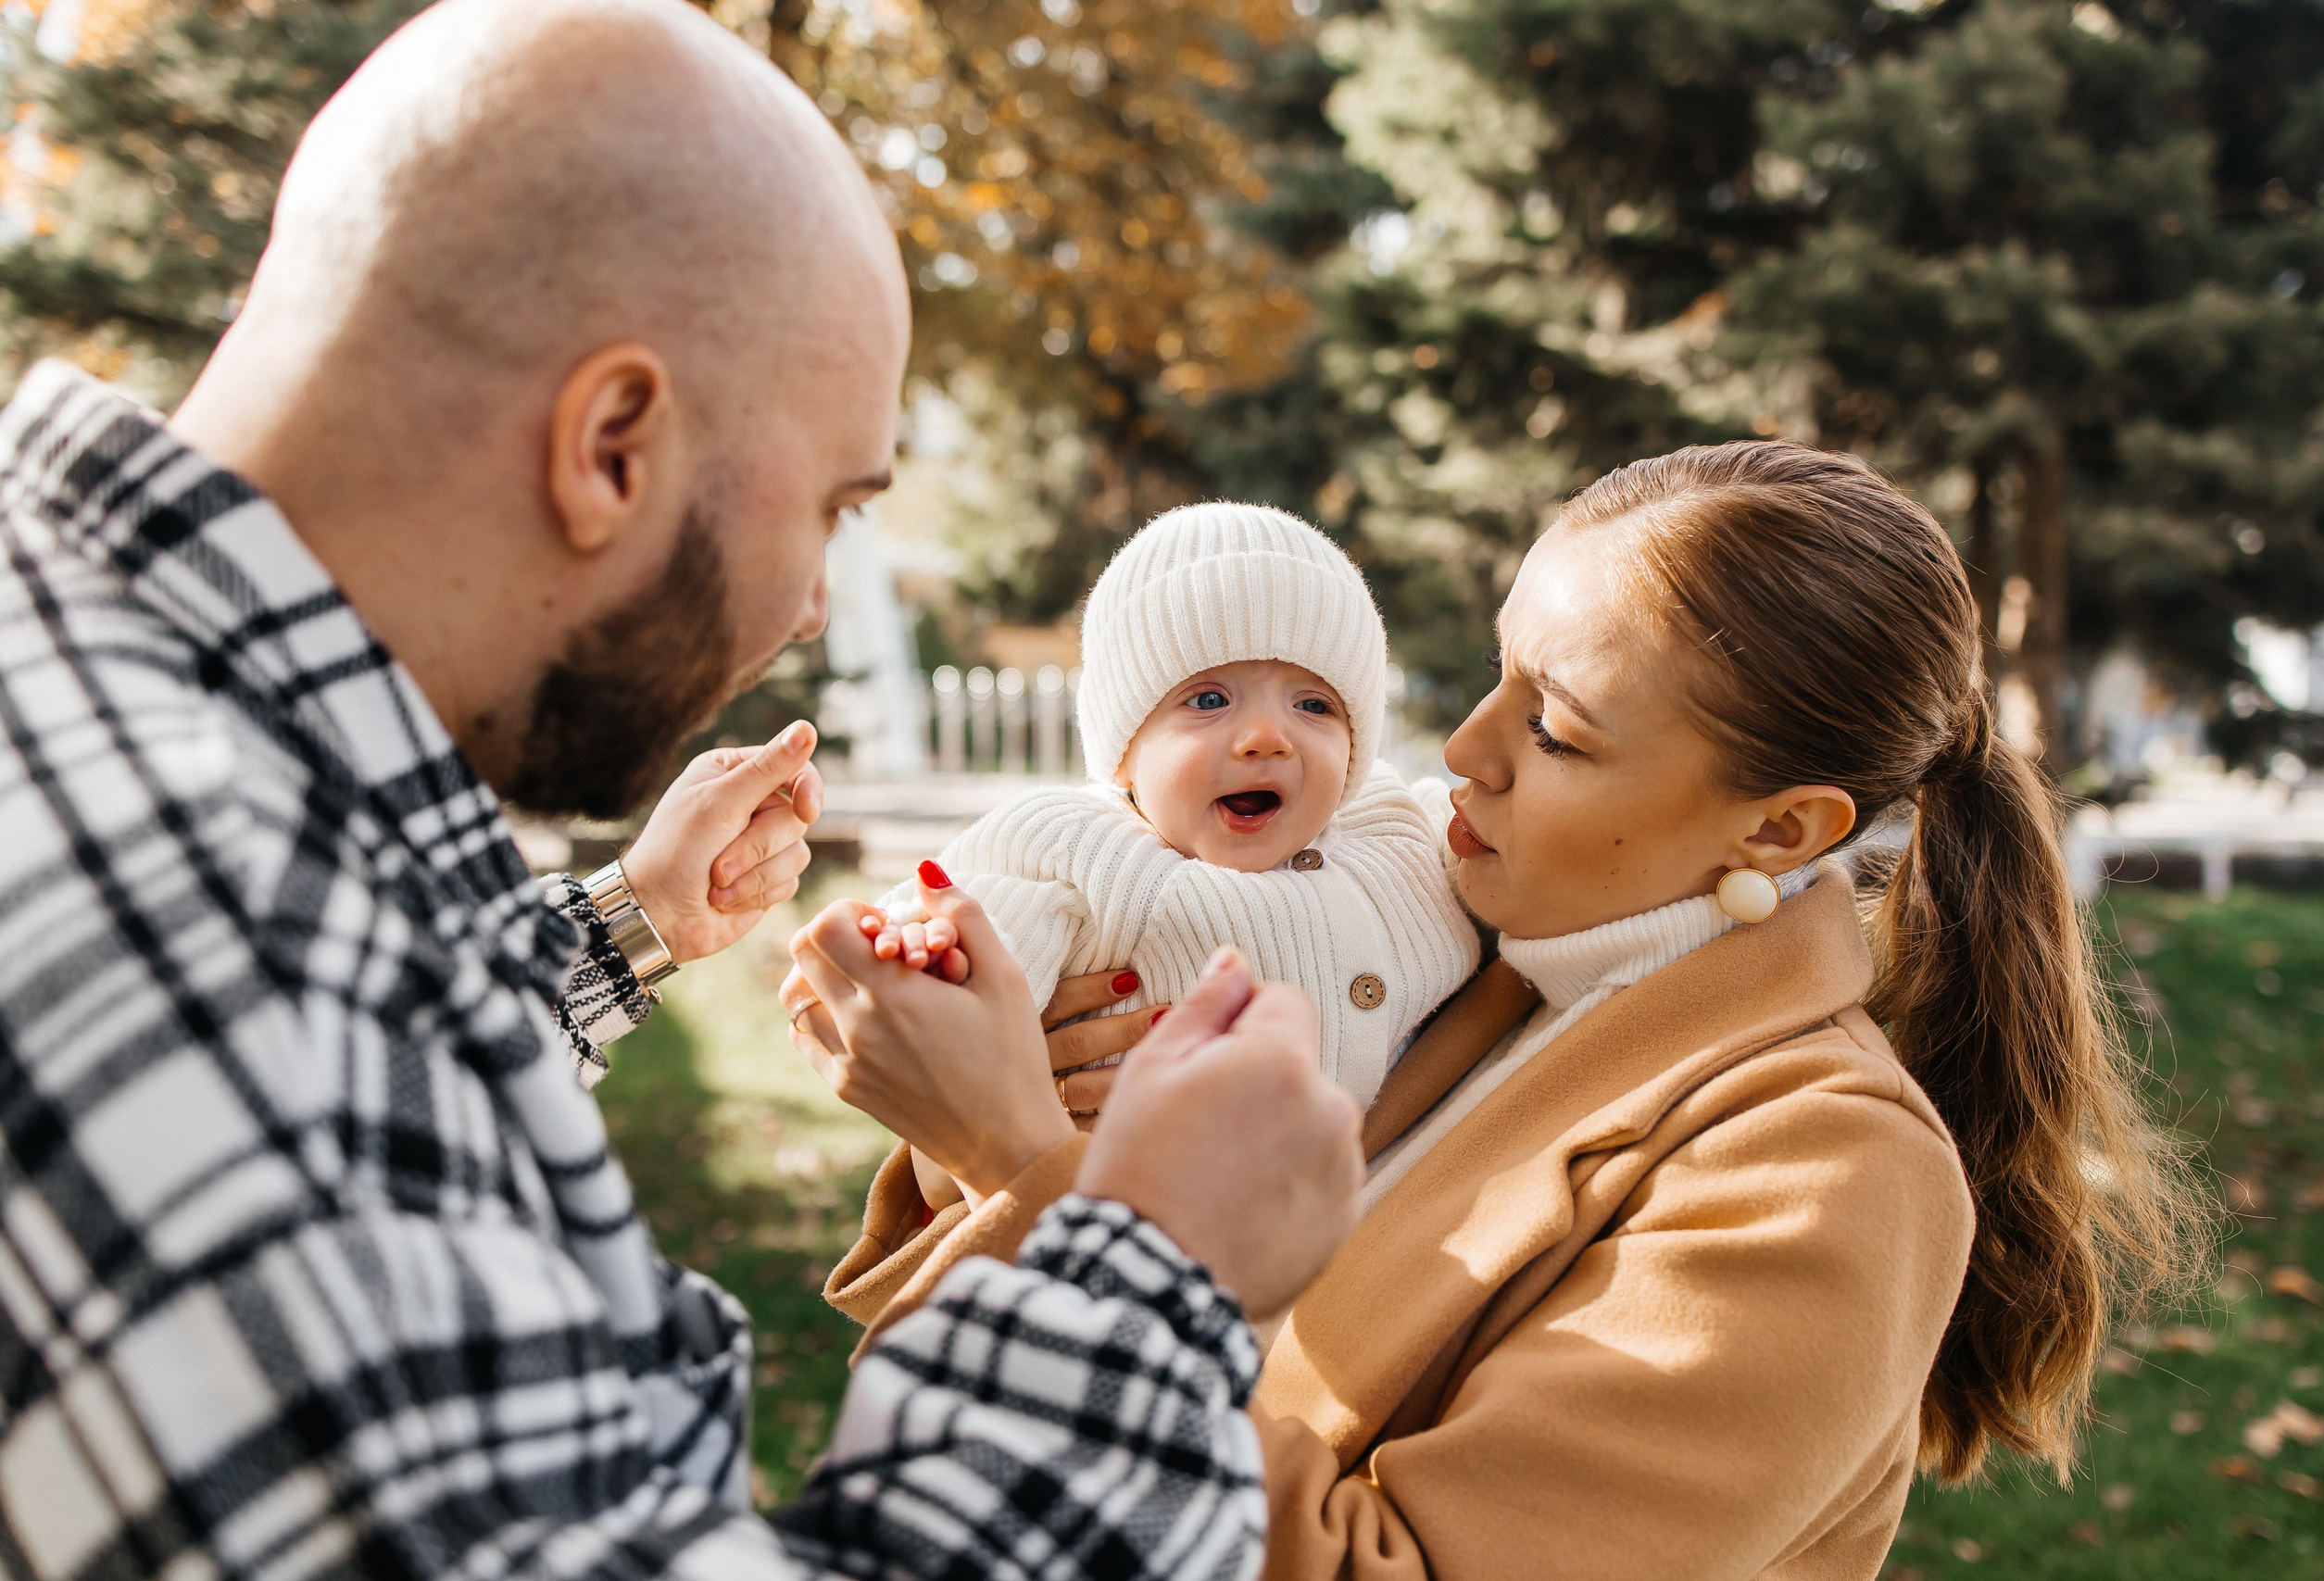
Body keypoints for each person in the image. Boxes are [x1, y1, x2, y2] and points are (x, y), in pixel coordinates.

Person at [0, 2, 1364, 1577]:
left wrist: (617, 935)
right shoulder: (212, 949)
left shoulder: (119, 726)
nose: (806, 608)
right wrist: (1156, 1273)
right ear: (615, 444)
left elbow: (369, 1103)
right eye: (836, 503)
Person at [795, 442, 2211, 1578]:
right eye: (1495, 672)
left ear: (1782, 830)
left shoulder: (1825, 1178)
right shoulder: (1460, 961)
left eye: (1557, 726)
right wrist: (1005, 1081)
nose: (1463, 747)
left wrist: (1018, 1164)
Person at [832, 502, 1475, 1208]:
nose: (1268, 735)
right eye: (1208, 698)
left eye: (1315, 705)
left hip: (1391, 1238)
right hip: (1152, 1231)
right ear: (1126, 753)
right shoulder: (1082, 850)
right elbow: (967, 939)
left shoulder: (1394, 823)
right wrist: (919, 951)